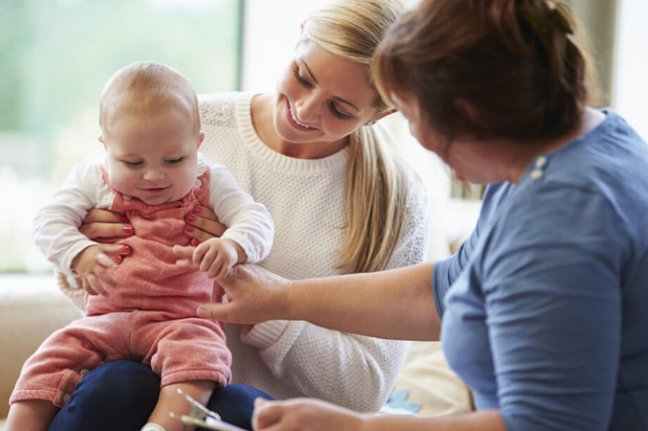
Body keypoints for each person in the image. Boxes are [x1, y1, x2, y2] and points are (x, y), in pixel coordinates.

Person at [191, 0, 648, 430]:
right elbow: (452, 287)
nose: (413, 135)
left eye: (411, 114)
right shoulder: (567, 149)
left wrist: (361, 427)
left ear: (470, 116)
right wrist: (279, 299)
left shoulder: (564, 222)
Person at [46, 1, 429, 430]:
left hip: (262, 416)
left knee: (240, 409)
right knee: (117, 384)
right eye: (303, 77)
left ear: (383, 113)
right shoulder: (185, 125)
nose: (304, 111)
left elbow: (365, 391)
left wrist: (270, 309)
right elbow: (95, 295)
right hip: (137, 386)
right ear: (298, 35)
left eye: (340, 109)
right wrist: (86, 256)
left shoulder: (395, 199)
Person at [6, 61, 275, 431]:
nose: (153, 175)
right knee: (50, 357)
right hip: (105, 318)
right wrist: (78, 252)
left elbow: (257, 220)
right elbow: (47, 222)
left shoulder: (212, 181)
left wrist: (233, 245)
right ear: (106, 148)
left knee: (201, 357)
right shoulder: (92, 180)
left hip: (181, 320)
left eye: (174, 159)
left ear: (197, 145)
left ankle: (162, 425)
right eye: (132, 162)